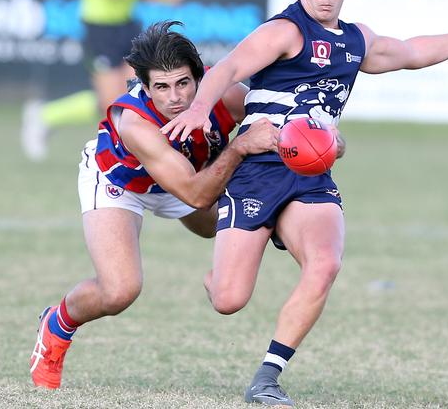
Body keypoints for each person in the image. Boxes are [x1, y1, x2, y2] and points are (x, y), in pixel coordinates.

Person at [160, 0, 448, 407]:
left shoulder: (356, 41)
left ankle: (267, 377)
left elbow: (412, 52)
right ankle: (223, 262)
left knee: (325, 263)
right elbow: (227, 68)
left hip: (312, 173)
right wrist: (197, 109)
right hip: (258, 169)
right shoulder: (284, 32)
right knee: (229, 299)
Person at [29, 20, 282, 389]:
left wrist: (315, 138)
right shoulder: (135, 123)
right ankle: (57, 323)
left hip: (187, 174)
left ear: (201, 77)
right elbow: (196, 195)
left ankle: (224, 278)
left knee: (227, 223)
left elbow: (276, 120)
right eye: (160, 87)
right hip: (120, 181)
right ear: (144, 87)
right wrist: (240, 146)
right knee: (119, 291)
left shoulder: (224, 96)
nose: (174, 97)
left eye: (183, 83)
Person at [21, 0, 187, 161]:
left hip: (128, 24)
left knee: (134, 96)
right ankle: (47, 117)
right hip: (99, 25)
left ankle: (47, 116)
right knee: (112, 103)